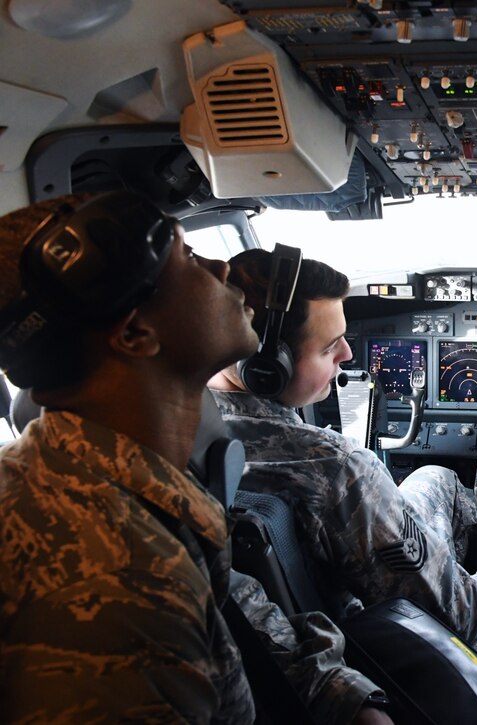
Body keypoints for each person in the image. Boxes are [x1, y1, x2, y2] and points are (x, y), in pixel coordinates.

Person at [0, 192, 390, 723]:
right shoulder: (115, 584)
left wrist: (343, 698)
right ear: (136, 334)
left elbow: (237, 607)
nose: (220, 263)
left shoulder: (131, 478)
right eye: (185, 257)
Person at [208, 248, 477, 654]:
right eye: (330, 346)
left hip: (265, 639)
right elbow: (461, 620)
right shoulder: (336, 468)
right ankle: (449, 578)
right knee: (441, 489)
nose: (348, 354)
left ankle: (439, 571)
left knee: (437, 477)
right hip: (361, 643)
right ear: (266, 365)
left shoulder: (183, 432)